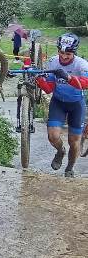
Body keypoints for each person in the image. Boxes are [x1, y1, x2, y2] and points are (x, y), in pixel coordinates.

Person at [36, 33, 88, 177]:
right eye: (61, 53)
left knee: (74, 141)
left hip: (76, 104)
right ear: (58, 50)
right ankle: (60, 151)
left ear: (74, 52)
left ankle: (70, 168)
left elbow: (85, 84)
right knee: (52, 136)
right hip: (58, 102)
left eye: (68, 54)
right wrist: (39, 80)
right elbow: (49, 88)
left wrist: (69, 77)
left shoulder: (82, 64)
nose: (64, 57)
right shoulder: (53, 62)